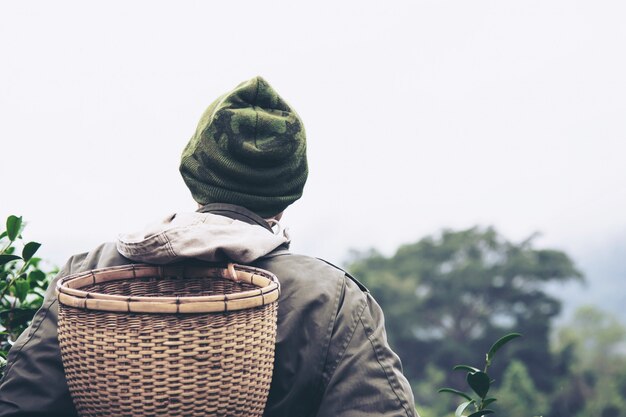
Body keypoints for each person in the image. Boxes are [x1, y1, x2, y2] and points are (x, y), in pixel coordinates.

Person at [0, 76, 418, 417]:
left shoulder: (89, 273)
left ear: (194, 169)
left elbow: (19, 404)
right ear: (290, 189)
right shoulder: (332, 298)